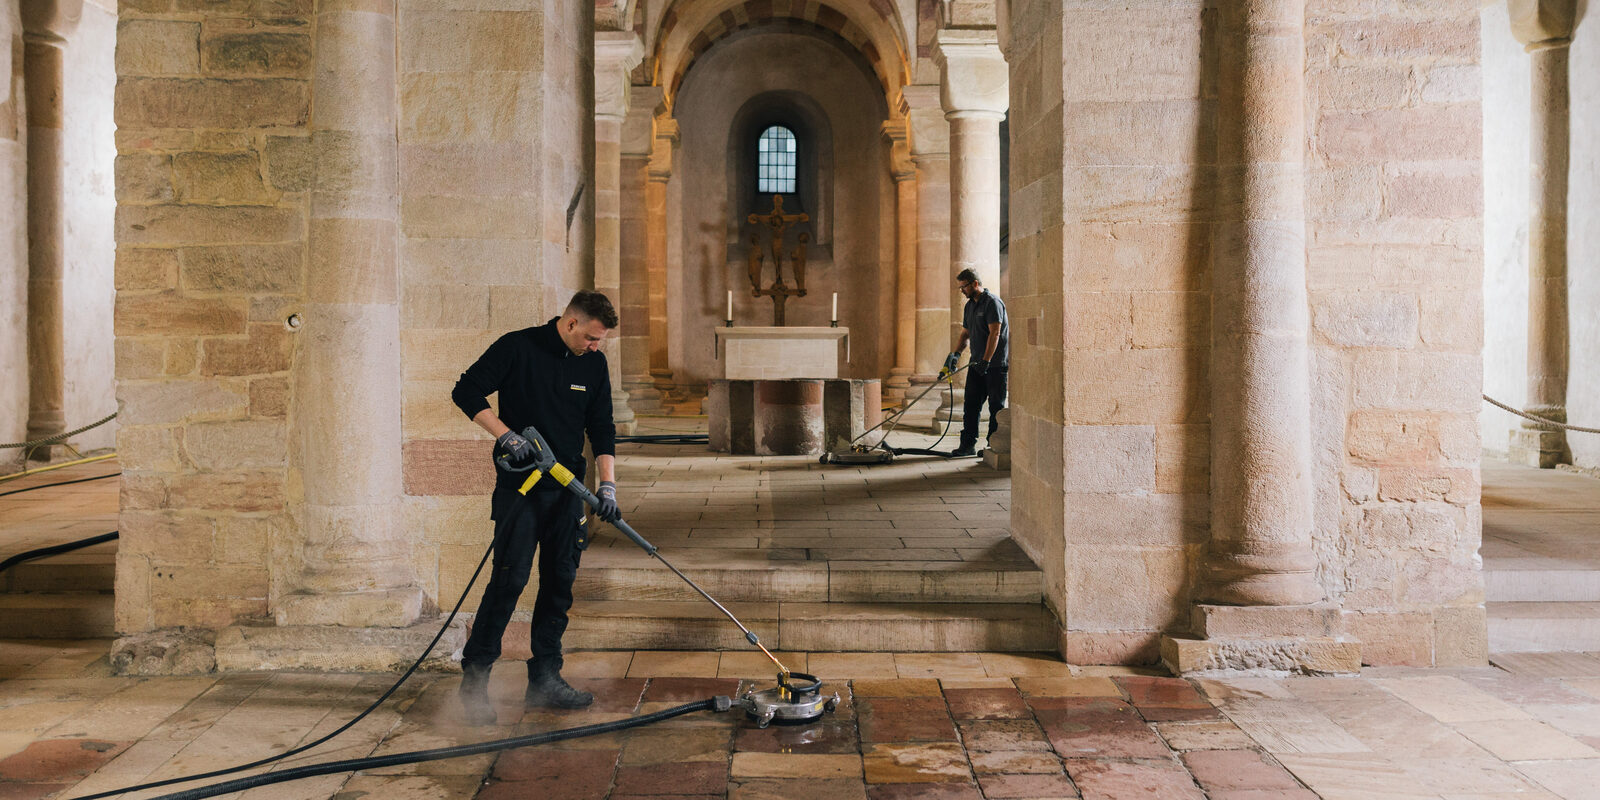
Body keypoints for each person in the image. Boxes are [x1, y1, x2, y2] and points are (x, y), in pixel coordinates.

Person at [450, 290, 623, 725]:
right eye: (591, 338)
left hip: (568, 492)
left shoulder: (593, 364)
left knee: (559, 582)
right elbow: (465, 390)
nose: (595, 346)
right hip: (520, 490)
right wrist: (504, 434)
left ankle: (545, 679)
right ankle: (474, 683)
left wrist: (608, 487)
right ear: (570, 324)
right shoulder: (518, 347)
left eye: (599, 341)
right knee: (509, 582)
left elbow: (602, 426)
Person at [949, 269, 1008, 457]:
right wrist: (955, 355)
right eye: (960, 287)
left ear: (975, 284)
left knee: (995, 406)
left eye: (964, 286)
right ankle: (967, 445)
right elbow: (966, 334)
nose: (962, 291)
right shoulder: (970, 306)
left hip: (995, 366)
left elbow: (995, 333)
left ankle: (993, 445)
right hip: (976, 365)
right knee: (971, 405)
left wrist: (986, 360)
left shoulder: (992, 303)